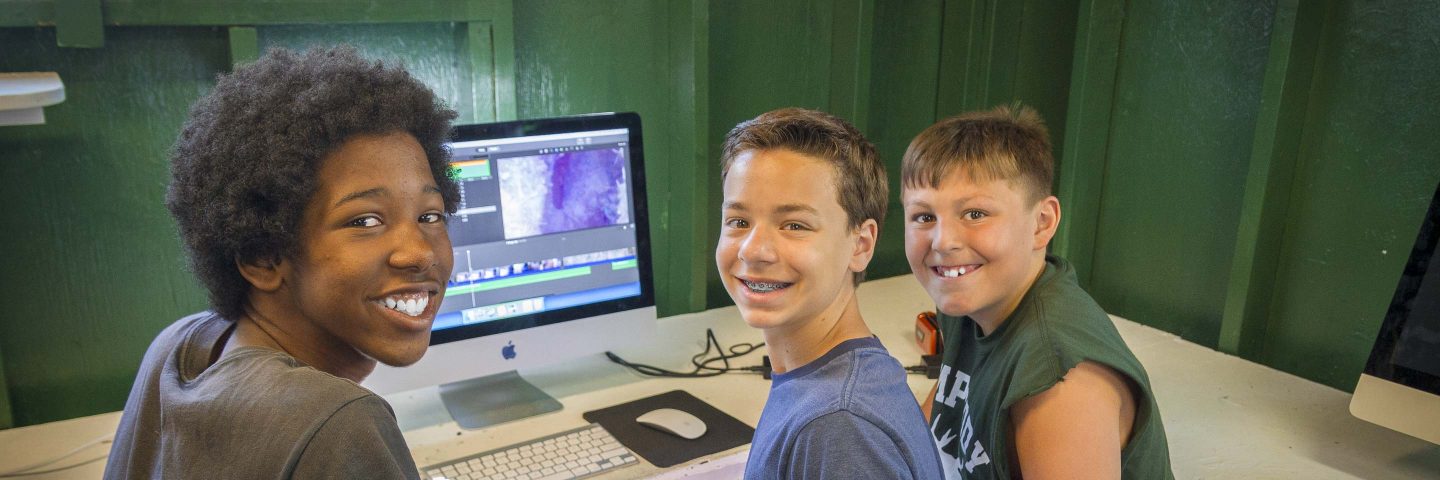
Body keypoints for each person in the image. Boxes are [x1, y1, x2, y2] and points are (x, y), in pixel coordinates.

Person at [104, 46, 459, 479]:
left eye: (430, 216)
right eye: (365, 220)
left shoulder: (179, 345)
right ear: (262, 255)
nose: (419, 252)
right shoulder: (339, 422)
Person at [903, 104, 1173, 479]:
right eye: (924, 216)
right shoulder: (970, 301)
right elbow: (949, 406)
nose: (943, 241)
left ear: (1042, 223)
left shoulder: (1059, 381)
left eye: (975, 214)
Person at [716, 108, 944, 480]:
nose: (752, 250)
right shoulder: (826, 382)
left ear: (861, 244)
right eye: (738, 222)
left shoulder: (840, 427)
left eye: (794, 225)